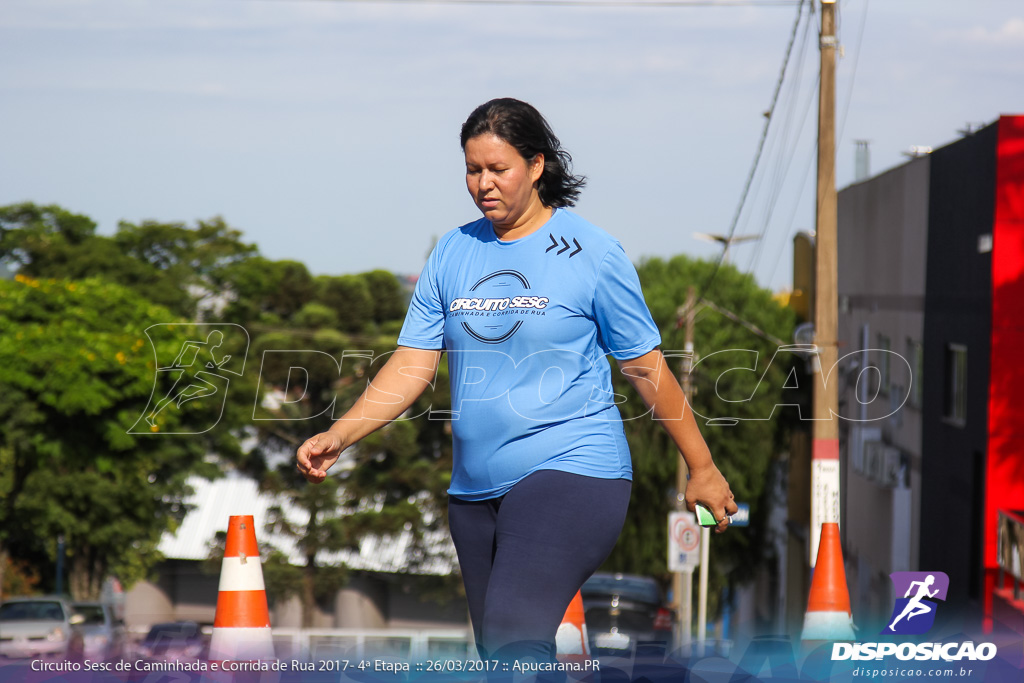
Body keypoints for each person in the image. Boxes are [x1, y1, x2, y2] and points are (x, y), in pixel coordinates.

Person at [296, 98, 737, 667]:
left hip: (574, 470)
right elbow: (412, 364)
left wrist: (701, 467)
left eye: (497, 169)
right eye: (472, 170)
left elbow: (645, 366)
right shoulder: (454, 251)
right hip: (474, 491)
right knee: (504, 655)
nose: (483, 184)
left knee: (511, 635)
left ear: (536, 166)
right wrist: (341, 434)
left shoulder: (593, 253)